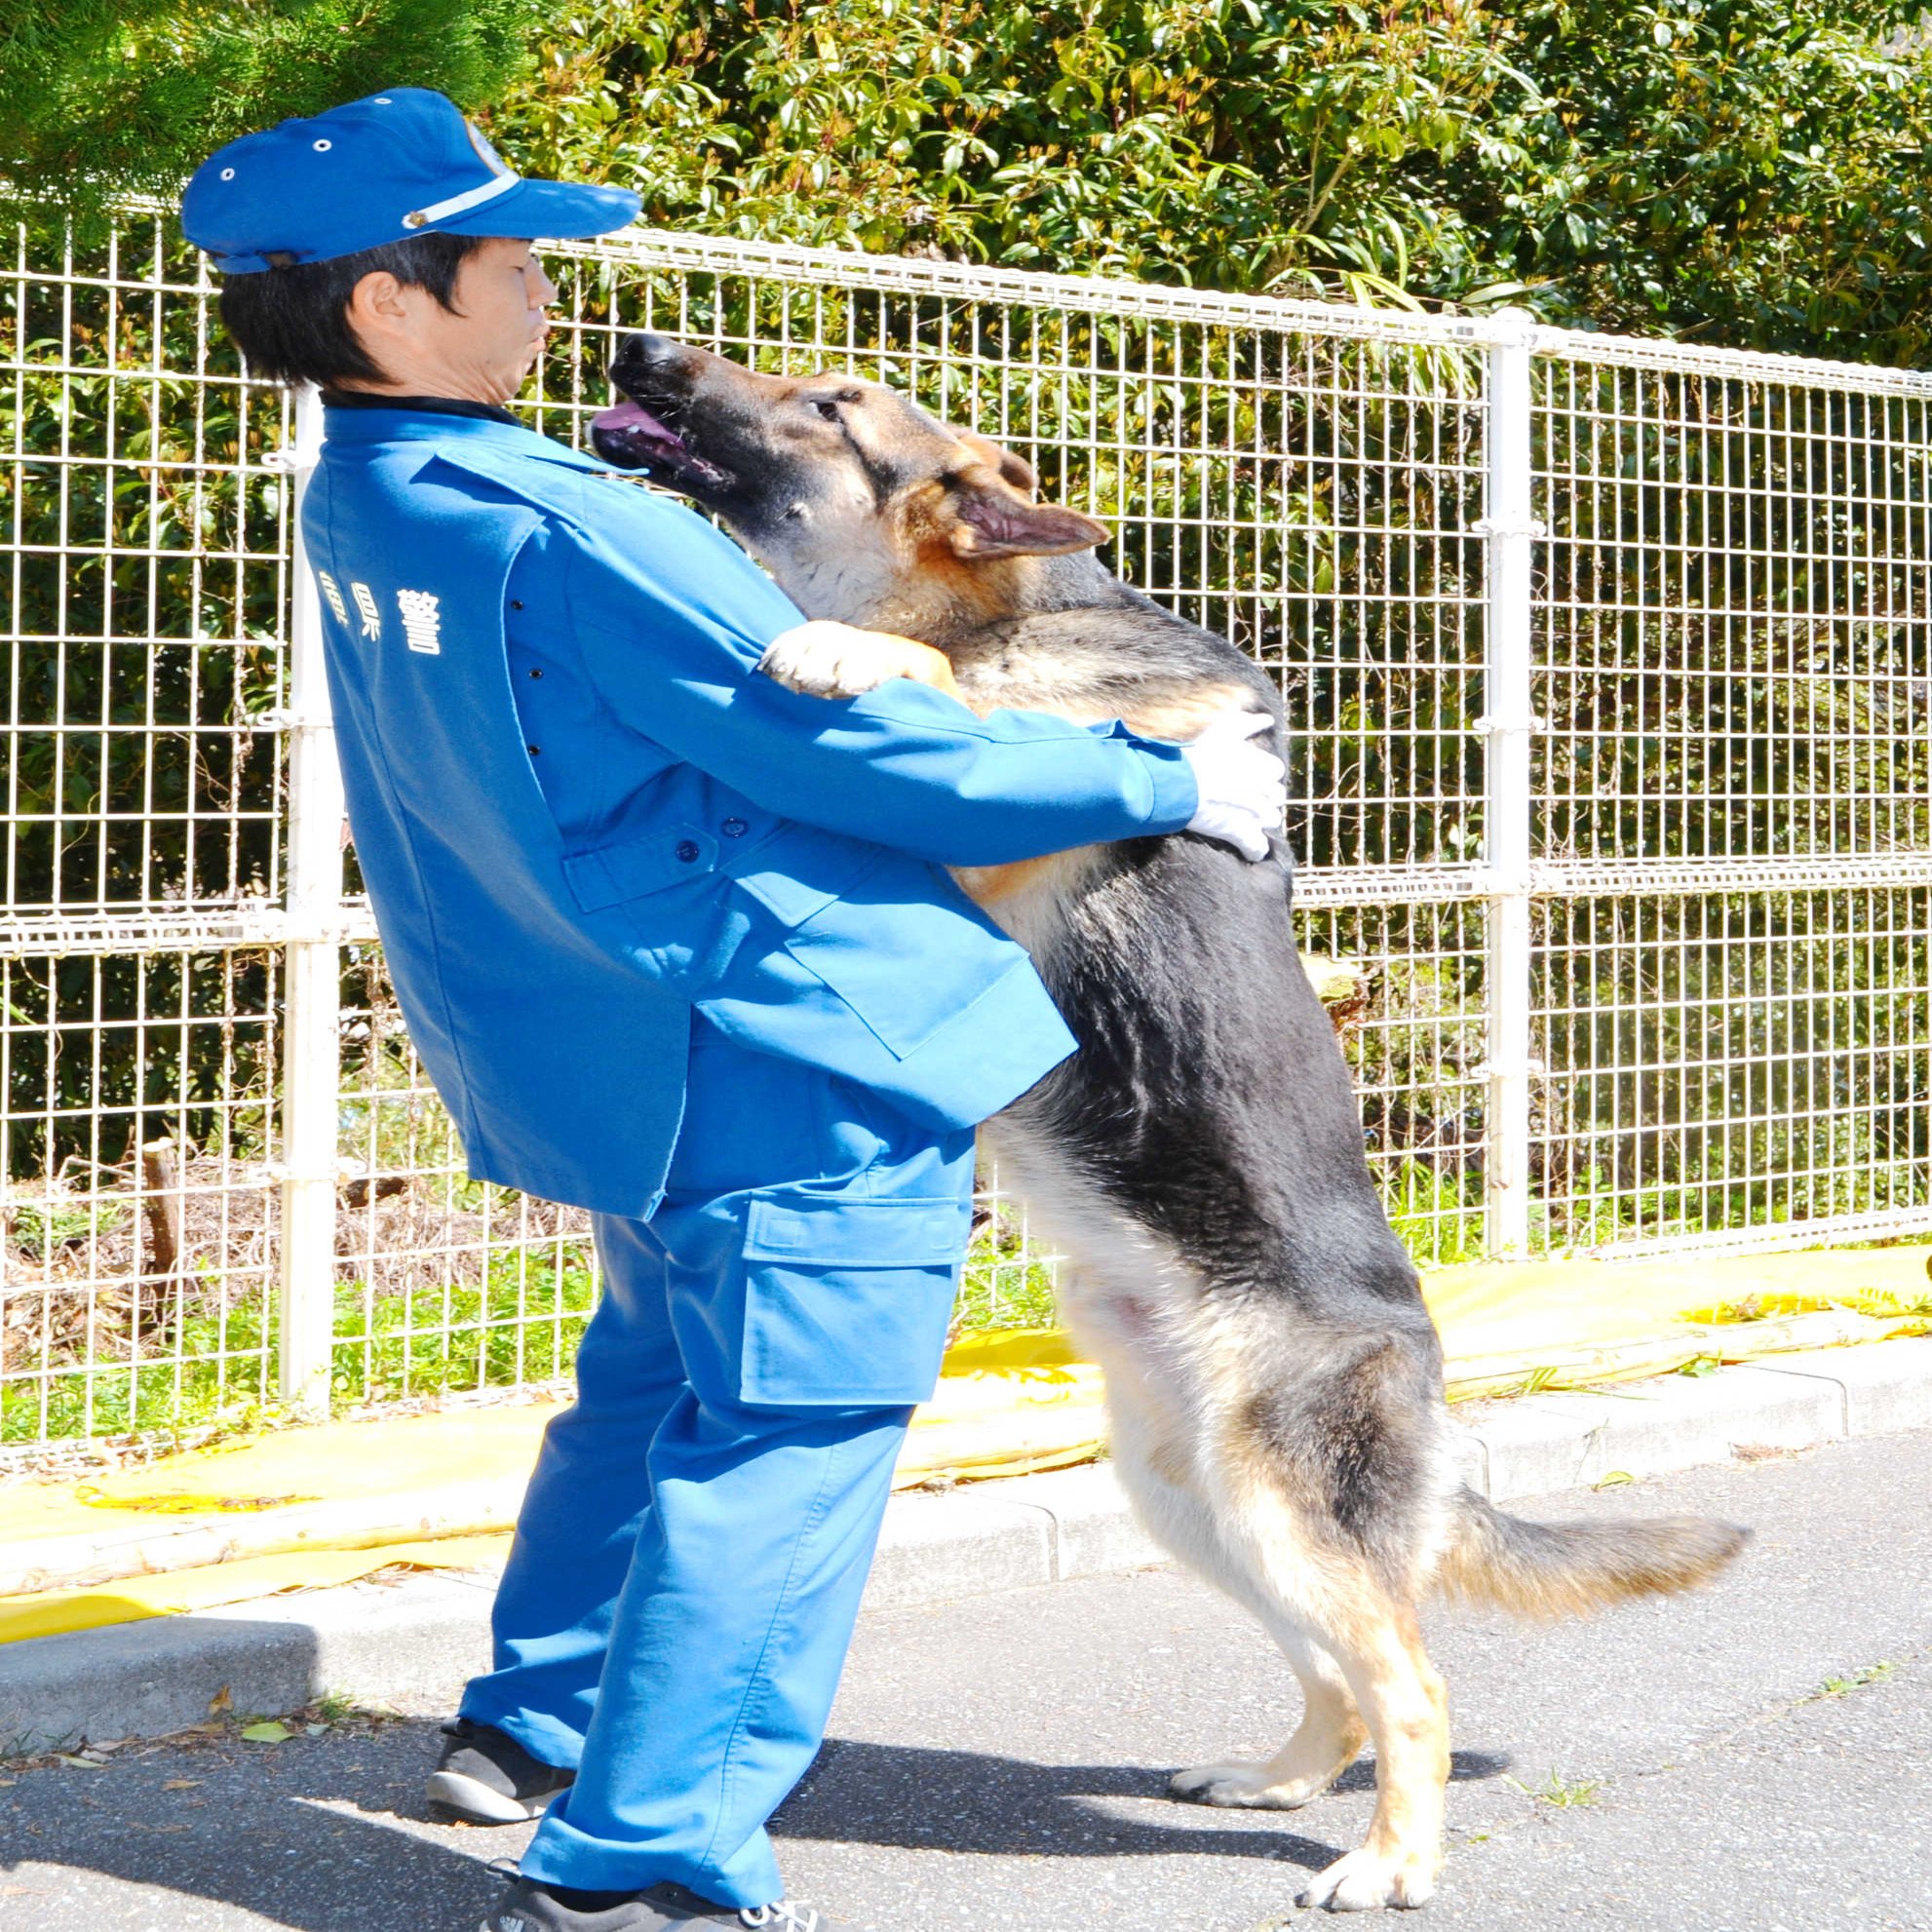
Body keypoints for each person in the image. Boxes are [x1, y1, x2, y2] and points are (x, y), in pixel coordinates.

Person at [182, 88, 1286, 1932]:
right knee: (788, 1425)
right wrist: (1161, 775)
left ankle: (527, 1726)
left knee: (649, 1382)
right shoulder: (572, 528)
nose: (547, 294)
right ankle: (639, 1866)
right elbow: (874, 762)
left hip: (602, 1045)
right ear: (390, 305)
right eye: (515, 261)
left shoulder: (375, 500)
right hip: (785, 1049)